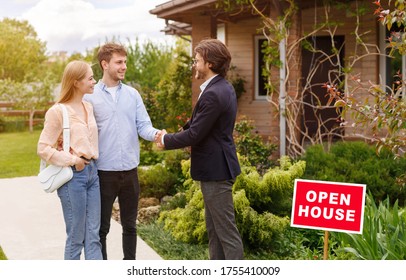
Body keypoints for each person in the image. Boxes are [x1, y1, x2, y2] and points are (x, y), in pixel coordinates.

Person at [156, 38, 244, 260]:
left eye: (197, 61)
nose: (194, 65)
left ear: (210, 64)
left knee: (226, 233)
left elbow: (196, 134)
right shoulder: (221, 88)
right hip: (216, 169)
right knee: (215, 232)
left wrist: (166, 140)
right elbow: (200, 126)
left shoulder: (214, 93)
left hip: (216, 171)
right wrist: (173, 134)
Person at [83, 42, 160, 260]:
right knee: (101, 230)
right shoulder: (90, 96)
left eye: (125, 62)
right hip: (103, 173)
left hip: (130, 172)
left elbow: (143, 125)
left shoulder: (133, 95)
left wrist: (157, 135)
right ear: (104, 64)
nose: (124, 66)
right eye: (119, 62)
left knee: (130, 227)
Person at [37, 60, 102, 260]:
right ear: (76, 82)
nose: (94, 81)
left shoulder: (88, 107)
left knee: (93, 236)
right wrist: (73, 160)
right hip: (73, 176)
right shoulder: (58, 111)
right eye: (90, 78)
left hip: (93, 173)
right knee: (75, 237)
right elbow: (42, 148)